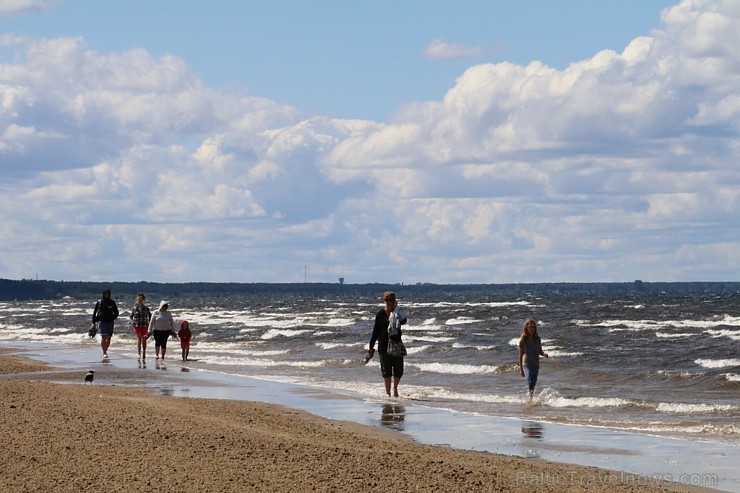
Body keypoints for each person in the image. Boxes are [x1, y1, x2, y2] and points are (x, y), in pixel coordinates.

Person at [367, 291, 407, 398]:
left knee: (399, 370)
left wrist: (396, 310)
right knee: (386, 371)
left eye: (391, 300)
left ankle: (395, 388)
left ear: (394, 301)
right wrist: (371, 346)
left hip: (396, 344)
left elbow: (404, 321)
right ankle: (388, 393)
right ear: (384, 301)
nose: (388, 302)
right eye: (387, 300)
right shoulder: (380, 314)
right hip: (383, 345)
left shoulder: (398, 313)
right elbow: (375, 331)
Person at [518, 318, 549, 397]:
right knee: (530, 381)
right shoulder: (523, 340)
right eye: (530, 327)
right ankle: (530, 397)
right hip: (527, 363)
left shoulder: (537, 339)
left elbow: (540, 351)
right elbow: (521, 355)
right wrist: (521, 369)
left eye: (533, 327)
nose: (532, 328)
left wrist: (544, 354)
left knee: (533, 383)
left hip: (535, 364)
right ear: (526, 328)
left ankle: (530, 398)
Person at [91, 289, 119, 358]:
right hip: (102, 322)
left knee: (109, 338)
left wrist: (113, 318)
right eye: (106, 294)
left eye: (108, 294)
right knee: (104, 337)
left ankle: (105, 350)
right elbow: (94, 313)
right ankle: (104, 352)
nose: (107, 295)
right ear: (103, 294)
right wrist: (93, 322)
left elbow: (116, 312)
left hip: (110, 322)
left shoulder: (112, 302)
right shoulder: (100, 302)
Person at [129, 292, 151, 361]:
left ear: (143, 299)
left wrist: (149, 323)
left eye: (141, 298)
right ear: (137, 299)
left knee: (144, 339)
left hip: (144, 325)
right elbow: (131, 316)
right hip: (137, 325)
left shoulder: (146, 308)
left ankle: (144, 352)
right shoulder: (134, 308)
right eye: (139, 298)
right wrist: (131, 321)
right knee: (139, 339)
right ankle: (139, 354)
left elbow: (150, 316)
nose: (140, 300)